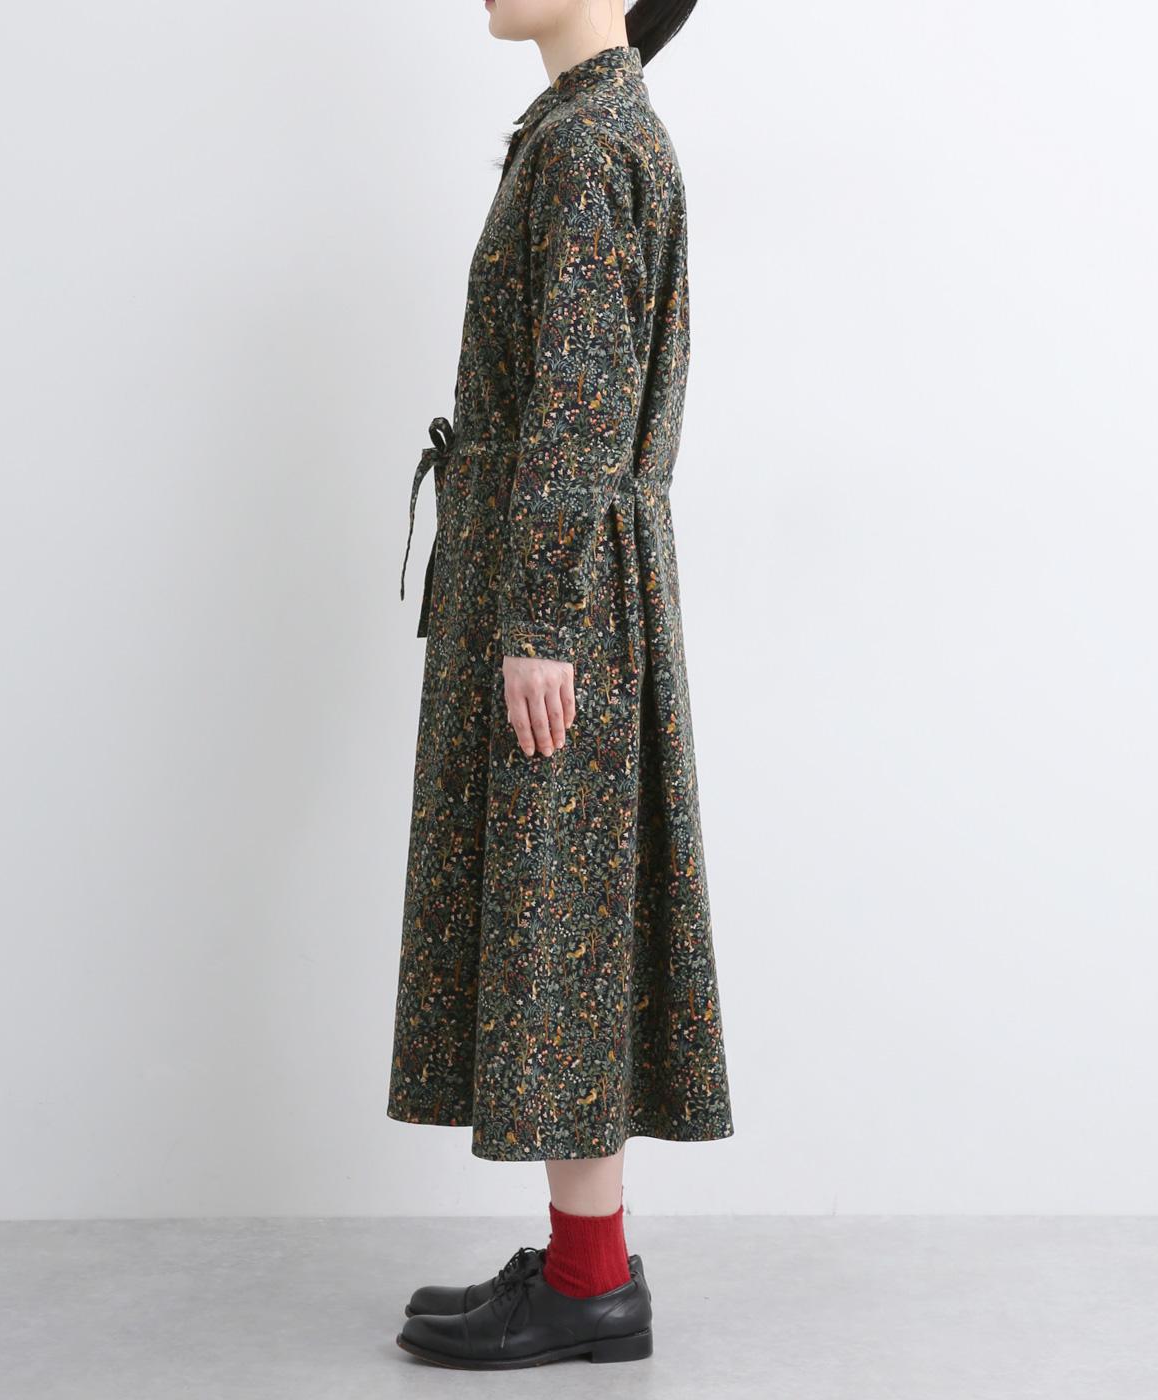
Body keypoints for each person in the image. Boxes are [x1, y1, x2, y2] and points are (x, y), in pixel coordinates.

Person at [388, 0, 733, 1369]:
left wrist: (539, 619)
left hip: (564, 590)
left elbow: (581, 403)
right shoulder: (589, 130)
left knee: (564, 921)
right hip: (576, 577)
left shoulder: (591, 144)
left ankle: (592, 1288)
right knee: (567, 918)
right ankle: (584, 1262)